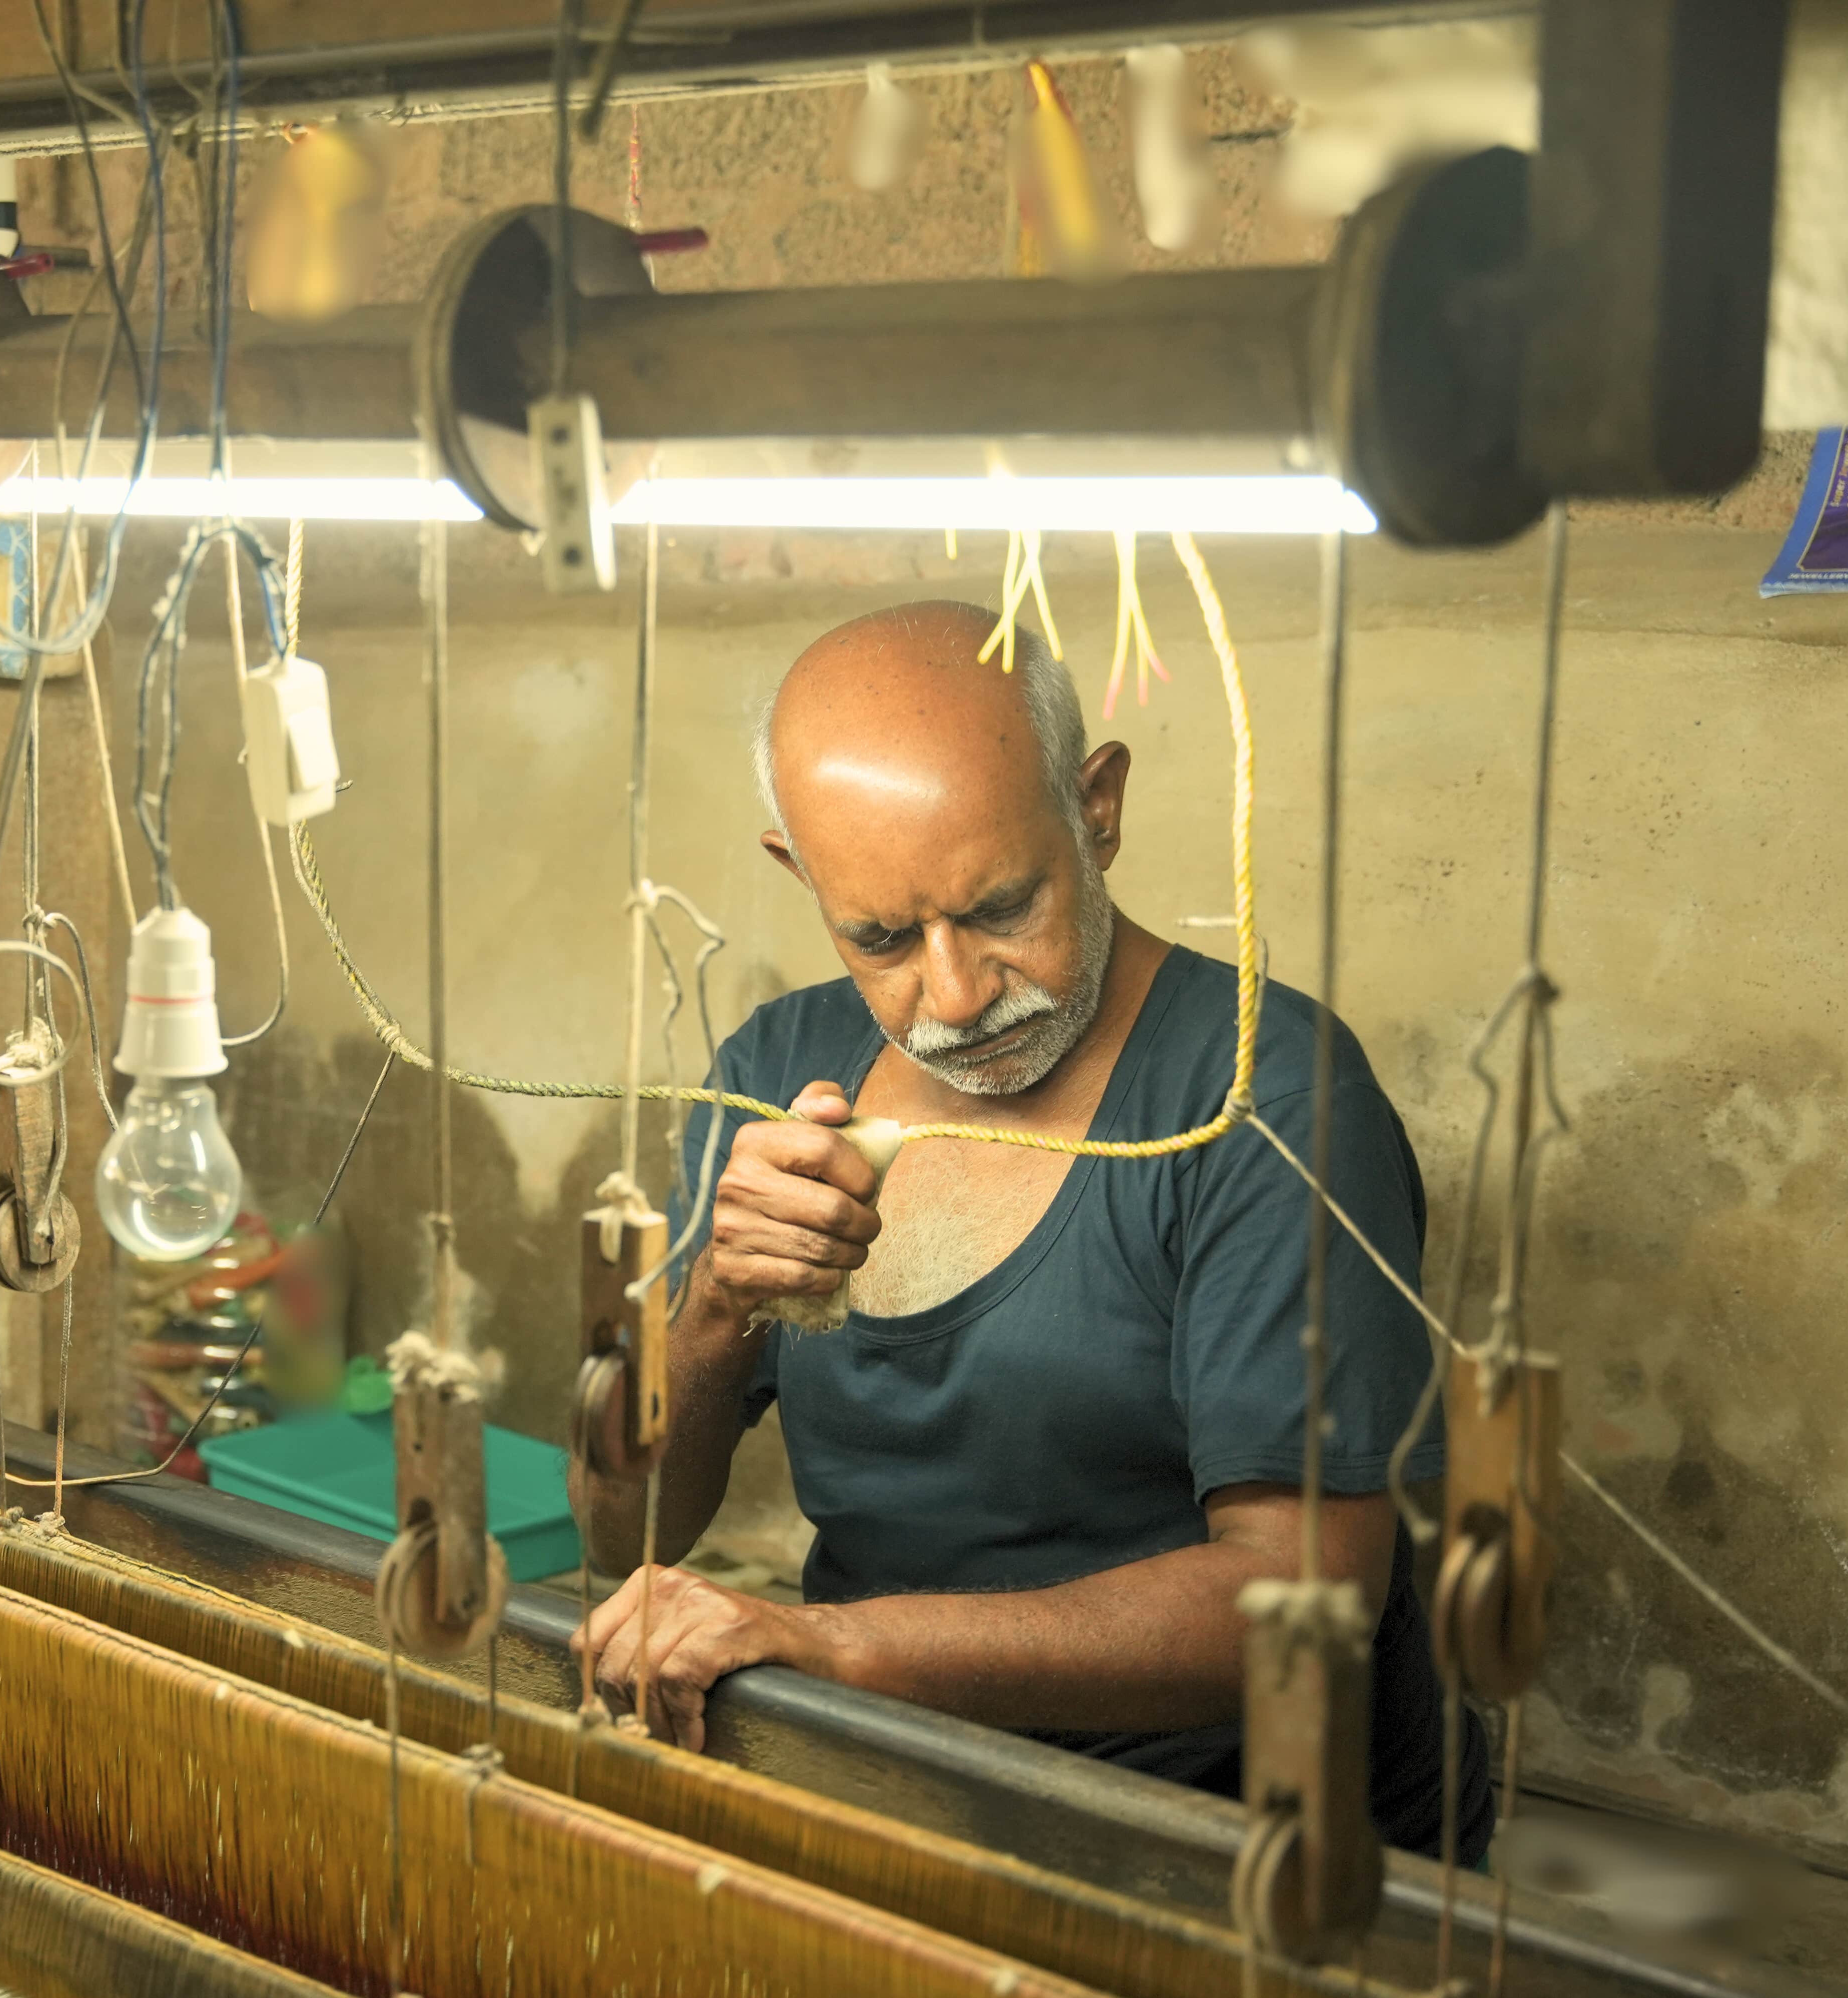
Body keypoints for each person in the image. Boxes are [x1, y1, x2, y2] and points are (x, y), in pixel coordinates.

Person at [573, 600, 1481, 1857]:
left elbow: (1300, 1608)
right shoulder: (775, 1070)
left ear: (1096, 808)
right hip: (905, 1779)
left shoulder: (1269, 1097)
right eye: (882, 936)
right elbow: (619, 1528)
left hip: (1238, 1840)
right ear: (799, 875)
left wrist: (836, 1646)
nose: (954, 995)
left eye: (1002, 907)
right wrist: (718, 1306)